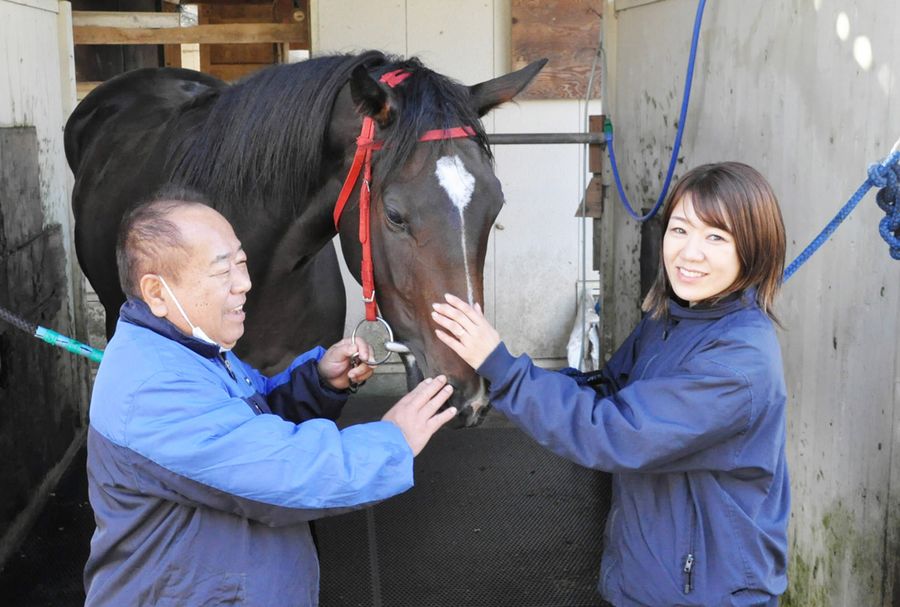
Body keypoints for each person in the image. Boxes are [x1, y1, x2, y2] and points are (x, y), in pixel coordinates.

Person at [431, 162, 790, 606]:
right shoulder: (672, 319)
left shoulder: (738, 365)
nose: (689, 252)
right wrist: (492, 381)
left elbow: (616, 430)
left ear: (754, 249)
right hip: (649, 576)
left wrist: (504, 368)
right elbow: (605, 391)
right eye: (679, 230)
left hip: (707, 593)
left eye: (716, 237)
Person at [84, 189, 457, 607]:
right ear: (156, 292)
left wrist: (318, 382)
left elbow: (249, 416)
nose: (244, 284)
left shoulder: (193, 350)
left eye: (241, 263)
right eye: (221, 270)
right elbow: (282, 473)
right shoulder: (154, 389)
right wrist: (392, 441)